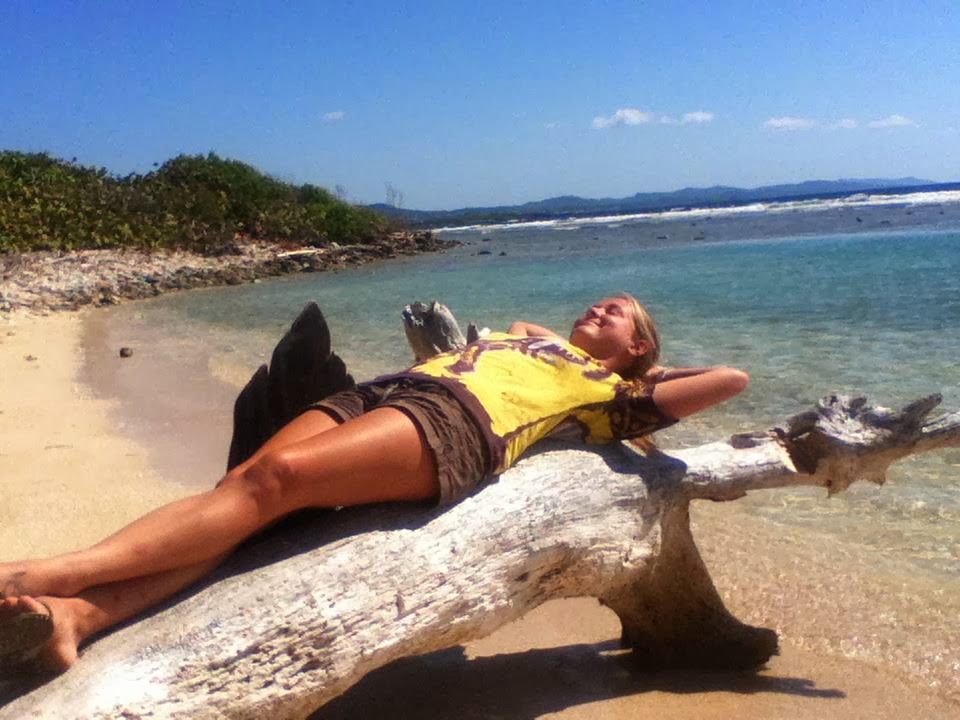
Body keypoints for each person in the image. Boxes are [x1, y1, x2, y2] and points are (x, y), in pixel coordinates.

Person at [0, 294, 748, 675]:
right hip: (387, 392)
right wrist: (571, 342)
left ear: (639, 345)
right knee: (243, 496)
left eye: (618, 313)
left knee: (275, 480)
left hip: (457, 425)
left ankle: (38, 573)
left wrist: (639, 372)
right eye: (600, 301)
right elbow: (521, 328)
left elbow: (730, 380)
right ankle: (77, 618)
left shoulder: (612, 399)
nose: (600, 308)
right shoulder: (540, 339)